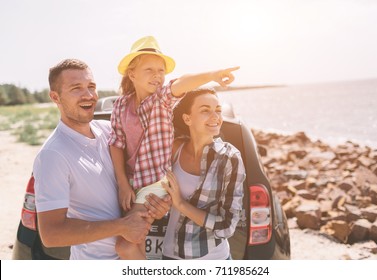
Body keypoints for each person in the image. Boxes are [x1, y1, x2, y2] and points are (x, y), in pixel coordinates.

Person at [109, 35, 240, 259]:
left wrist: (212, 75)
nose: (157, 76)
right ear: (132, 74)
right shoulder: (121, 105)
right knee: (134, 246)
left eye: (161, 71)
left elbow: (180, 83)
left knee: (126, 247)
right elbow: (116, 143)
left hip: (155, 184)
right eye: (149, 70)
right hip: (129, 186)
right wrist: (122, 183)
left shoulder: (161, 100)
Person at [33, 58, 169, 260]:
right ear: (55, 97)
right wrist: (122, 227)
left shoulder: (108, 131)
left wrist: (157, 206)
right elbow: (51, 234)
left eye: (91, 86)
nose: (88, 95)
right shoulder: (53, 155)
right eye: (76, 88)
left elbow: (141, 174)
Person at [161, 88, 246, 260]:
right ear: (187, 118)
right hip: (171, 256)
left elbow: (227, 226)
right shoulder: (175, 149)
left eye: (218, 110)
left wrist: (180, 204)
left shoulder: (230, 158)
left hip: (213, 259)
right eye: (205, 110)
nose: (215, 117)